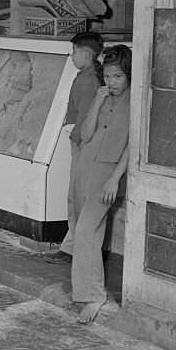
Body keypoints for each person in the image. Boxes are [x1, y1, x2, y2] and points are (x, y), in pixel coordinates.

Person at [71, 44, 131, 324]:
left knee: (85, 231)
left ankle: (95, 294)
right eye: (108, 76)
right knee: (83, 229)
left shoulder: (136, 101)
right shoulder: (103, 96)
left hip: (107, 171)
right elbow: (84, 133)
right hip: (86, 164)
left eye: (118, 76)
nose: (112, 82)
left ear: (128, 75)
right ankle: (88, 291)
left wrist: (115, 179)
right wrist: (97, 100)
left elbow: (133, 147)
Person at [44, 31, 103, 265]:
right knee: (75, 196)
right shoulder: (86, 77)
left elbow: (86, 116)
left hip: (84, 143)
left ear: (86, 53)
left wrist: (77, 138)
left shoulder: (88, 80)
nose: (72, 57)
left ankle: (73, 249)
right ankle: (71, 246)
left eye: (74, 52)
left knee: (77, 197)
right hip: (82, 141)